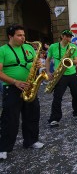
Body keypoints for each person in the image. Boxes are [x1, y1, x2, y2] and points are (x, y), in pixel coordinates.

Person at [0, 24, 44, 160]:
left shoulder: (29, 48)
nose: (23, 38)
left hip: (30, 86)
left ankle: (31, 141)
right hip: (12, 88)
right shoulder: (3, 50)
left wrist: (38, 65)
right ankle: (4, 148)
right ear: (10, 36)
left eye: (23, 35)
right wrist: (15, 81)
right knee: (10, 119)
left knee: (32, 114)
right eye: (19, 35)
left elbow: (33, 63)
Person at [45, 29, 77, 128]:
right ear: (62, 36)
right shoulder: (53, 46)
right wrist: (48, 72)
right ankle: (54, 118)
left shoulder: (73, 46)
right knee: (57, 97)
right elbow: (48, 60)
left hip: (72, 74)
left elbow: (76, 61)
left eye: (70, 36)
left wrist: (67, 59)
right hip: (59, 75)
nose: (69, 38)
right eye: (67, 36)